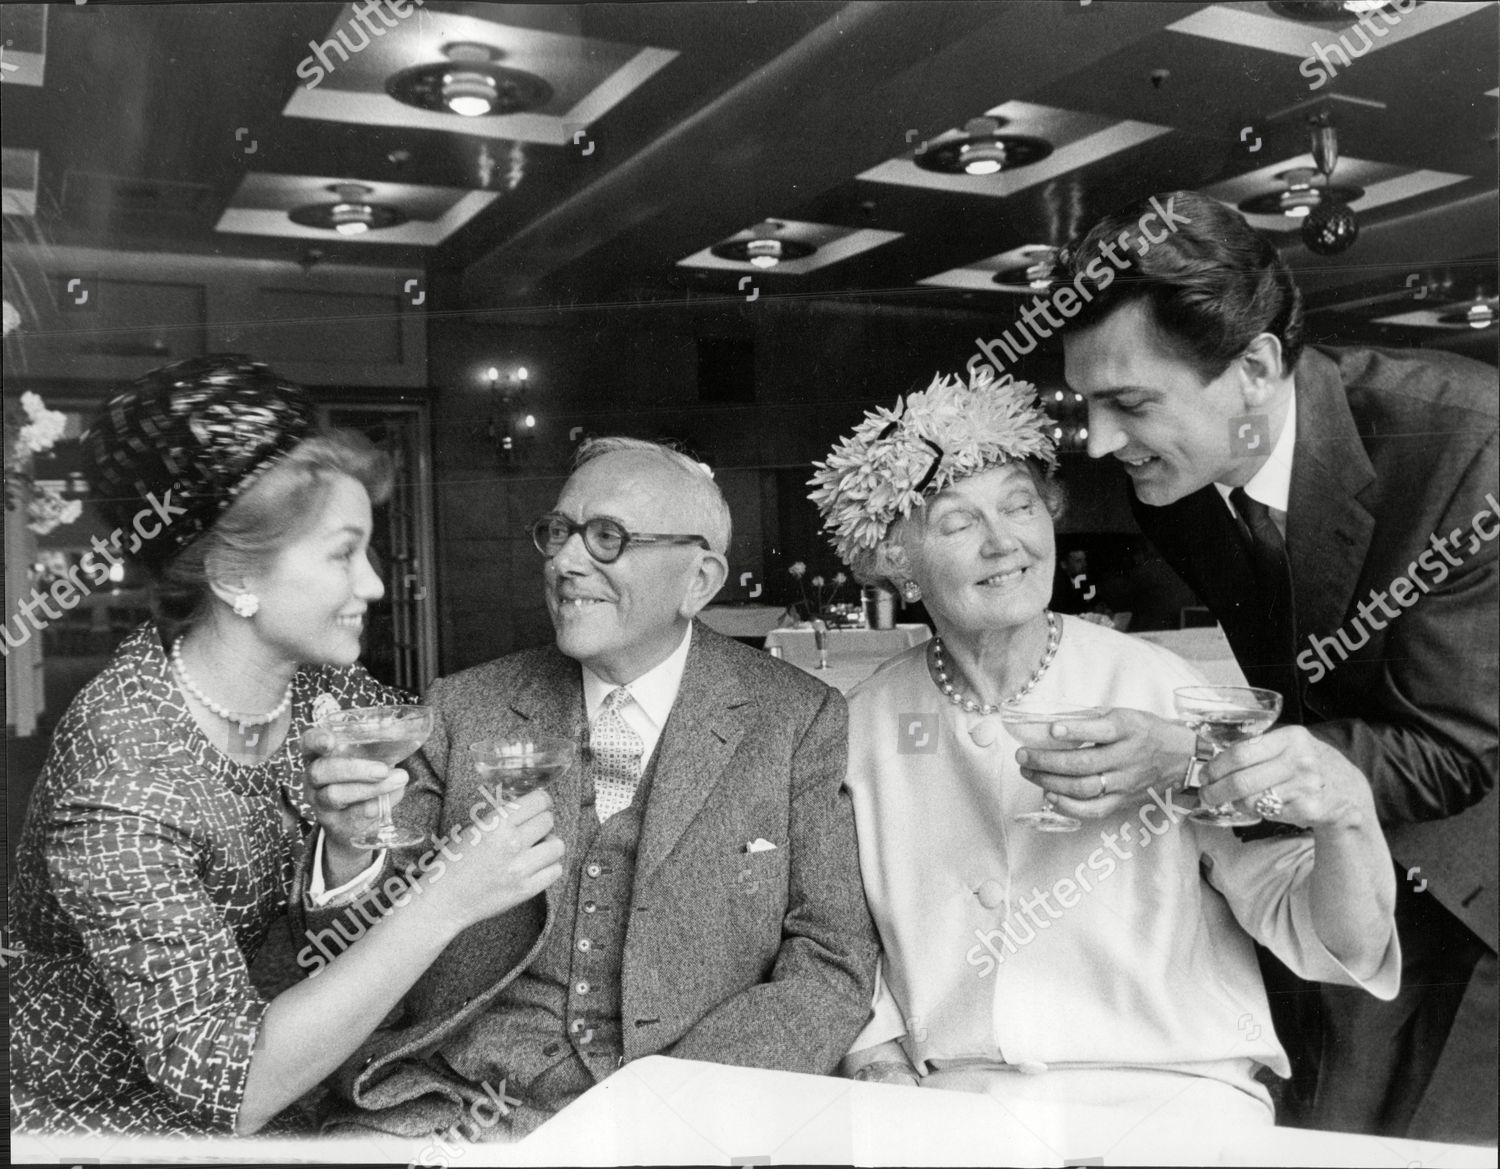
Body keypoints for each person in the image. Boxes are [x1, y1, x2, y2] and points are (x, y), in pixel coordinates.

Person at [808, 369, 1399, 1145]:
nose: (1004, 541)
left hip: (1174, 1093)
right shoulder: (858, 726)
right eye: (957, 522)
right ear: (894, 559)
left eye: (1021, 505)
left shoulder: (1159, 688)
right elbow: (828, 937)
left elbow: (1319, 931)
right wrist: (877, 1065)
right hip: (957, 1100)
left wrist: (1347, 819)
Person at [7, 355, 563, 1137]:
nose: (373, 585)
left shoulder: (316, 690)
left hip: (306, 1085)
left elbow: (438, 733)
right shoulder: (120, 780)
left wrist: (345, 854)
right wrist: (447, 898)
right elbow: (230, 1087)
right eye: (342, 552)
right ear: (237, 573)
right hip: (105, 1125)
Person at [1046, 190, 1497, 1142]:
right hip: (1334, 877)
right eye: (1085, 404)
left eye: (1128, 403)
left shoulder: (1468, 447)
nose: (1099, 442)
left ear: (1254, 366)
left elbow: (1452, 751)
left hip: (1475, 887)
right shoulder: (1176, 483)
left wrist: (1194, 759)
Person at [301, 436, 877, 1139]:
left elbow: (831, 959)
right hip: (456, 1111)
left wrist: (681, 1105)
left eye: (608, 537)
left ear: (699, 578)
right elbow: (353, 953)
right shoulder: (462, 708)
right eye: (560, 533)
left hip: (690, 1116)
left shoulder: (796, 717)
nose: (567, 561)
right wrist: (347, 848)